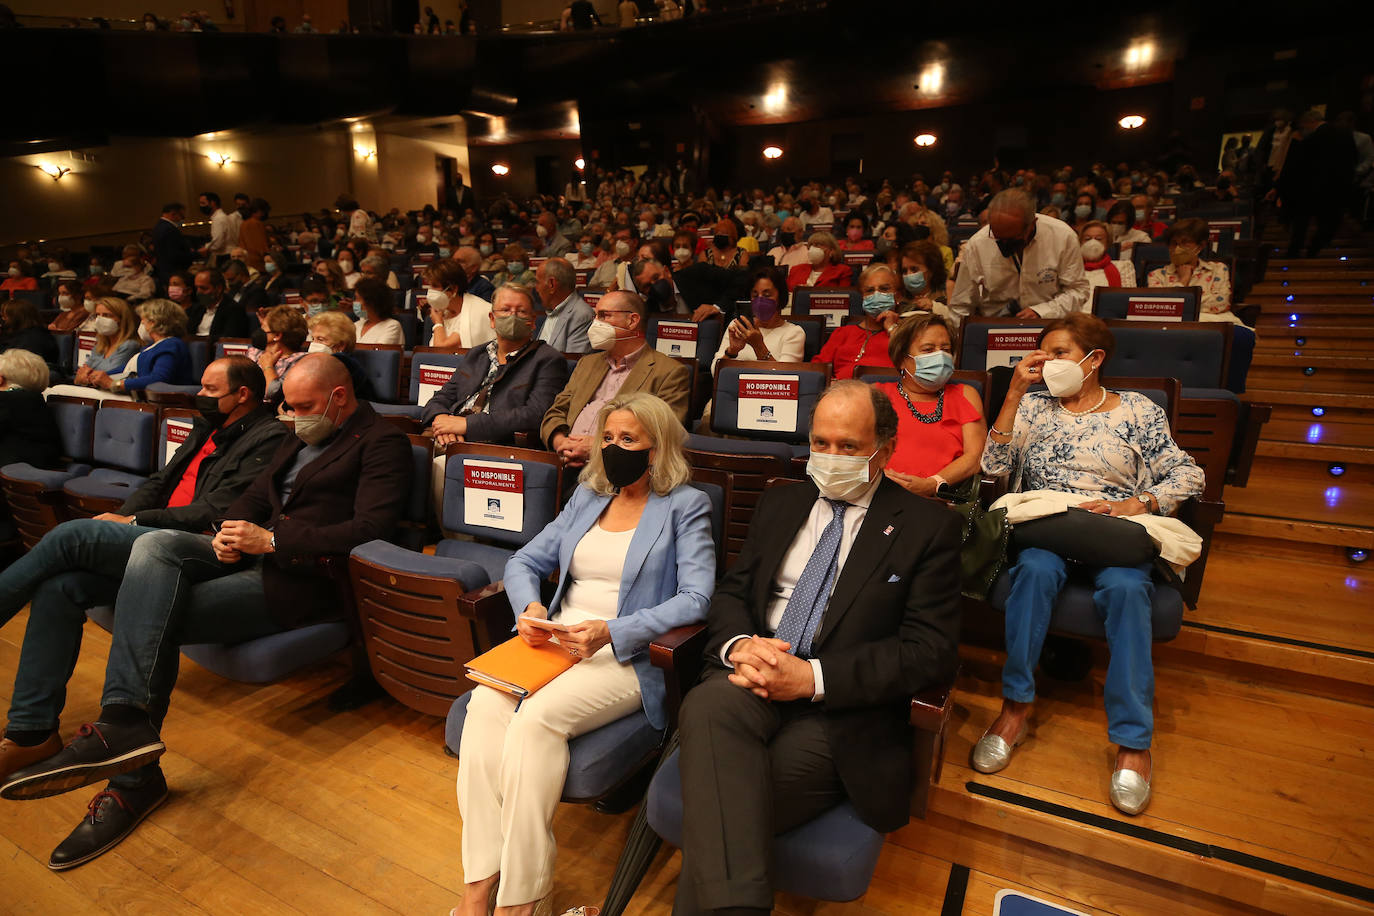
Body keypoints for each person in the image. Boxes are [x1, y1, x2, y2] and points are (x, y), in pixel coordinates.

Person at [0, 354, 409, 867]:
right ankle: (35, 732)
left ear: (340, 397)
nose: (292, 414)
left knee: (139, 578)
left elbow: (369, 531)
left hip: (293, 577)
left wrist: (273, 540)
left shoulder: (381, 442)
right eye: (289, 405)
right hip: (235, 555)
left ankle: (132, 775)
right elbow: (250, 500)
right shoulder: (295, 434)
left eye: (303, 406)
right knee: (74, 575)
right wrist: (232, 534)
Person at [673, 380, 961, 913]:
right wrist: (739, 644)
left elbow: (930, 650)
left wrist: (812, 679)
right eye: (821, 443)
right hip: (752, 676)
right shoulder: (782, 500)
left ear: (887, 448)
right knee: (709, 702)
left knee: (722, 808)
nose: (830, 457)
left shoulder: (930, 527)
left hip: (840, 712)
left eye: (848, 447)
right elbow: (735, 588)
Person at [454, 391, 713, 915]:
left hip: (623, 652)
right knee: (484, 706)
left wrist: (613, 631)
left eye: (629, 439)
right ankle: (479, 887)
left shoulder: (687, 505)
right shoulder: (588, 494)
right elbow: (526, 560)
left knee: (536, 721)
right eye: (609, 437)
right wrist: (530, 607)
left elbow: (697, 597)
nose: (615, 448)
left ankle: (522, 901)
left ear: (658, 448)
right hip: (554, 642)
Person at [975, 314, 1204, 816]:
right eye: (1043, 354)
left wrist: (1139, 504)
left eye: (1058, 353)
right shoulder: (1033, 406)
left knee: (1126, 590)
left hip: (1115, 534)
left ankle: (1133, 742)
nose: (1047, 363)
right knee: (1033, 573)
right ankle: (1015, 709)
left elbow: (1188, 473)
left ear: (1093, 359)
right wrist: (1012, 395)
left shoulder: (1138, 411)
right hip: (1047, 527)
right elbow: (992, 469)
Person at [541, 291, 691, 469]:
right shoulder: (586, 363)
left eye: (604, 316)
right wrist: (562, 444)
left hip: (617, 470)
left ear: (632, 321)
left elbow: (662, 435)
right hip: (564, 462)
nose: (595, 323)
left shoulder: (670, 373)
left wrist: (597, 447)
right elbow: (556, 412)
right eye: (595, 316)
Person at [423, 284, 569, 446]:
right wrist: (441, 419)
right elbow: (443, 396)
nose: (512, 316)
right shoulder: (476, 354)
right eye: (505, 310)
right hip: (448, 436)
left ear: (533, 321)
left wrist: (467, 425)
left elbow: (535, 414)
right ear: (492, 319)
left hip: (494, 444)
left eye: (521, 311)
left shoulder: (548, 359)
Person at [874, 314, 986, 495]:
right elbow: (856, 451)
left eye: (945, 349)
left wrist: (933, 484)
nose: (939, 357)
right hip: (880, 495)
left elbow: (974, 458)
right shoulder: (876, 394)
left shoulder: (966, 394)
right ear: (902, 359)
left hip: (941, 499)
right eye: (928, 350)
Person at [949, 189, 1090, 323]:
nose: (1003, 245)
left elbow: (1078, 291)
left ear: (1032, 225)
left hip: (1050, 325)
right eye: (997, 238)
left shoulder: (1062, 236)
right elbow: (960, 306)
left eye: (1011, 240)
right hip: (996, 326)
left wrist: (1042, 312)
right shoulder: (978, 243)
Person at [1279, 109, 1358, 258]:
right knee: (1328, 224)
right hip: (1337, 187)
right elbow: (1353, 159)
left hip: (1310, 188)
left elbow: (1297, 165)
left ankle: (1294, 252)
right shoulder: (1345, 134)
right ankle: (1313, 249)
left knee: (1301, 223)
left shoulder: (1311, 139)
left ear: (1309, 122)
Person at [710, 266, 805, 372]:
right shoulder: (738, 326)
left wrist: (758, 346)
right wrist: (731, 352)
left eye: (767, 295)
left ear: (781, 297)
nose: (760, 300)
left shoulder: (794, 333)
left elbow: (785, 378)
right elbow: (715, 373)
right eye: (755, 295)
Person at [813, 263, 895, 380]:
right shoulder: (842, 333)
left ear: (897, 295)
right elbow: (817, 371)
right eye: (869, 290)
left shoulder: (907, 334)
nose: (876, 294)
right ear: (862, 297)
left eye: (884, 289)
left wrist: (892, 329)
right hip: (841, 393)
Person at [104, 299, 193, 396]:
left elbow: (159, 379)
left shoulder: (171, 345)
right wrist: (96, 376)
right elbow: (126, 369)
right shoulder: (152, 346)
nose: (141, 323)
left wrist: (115, 384)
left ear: (153, 322)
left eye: (143, 319)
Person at [0, 348, 61, 470]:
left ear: (1, 379)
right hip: (41, 463)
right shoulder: (34, 399)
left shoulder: (8, 400)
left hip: (16, 465)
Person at [63, 298, 142, 393]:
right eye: (97, 315)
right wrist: (82, 377)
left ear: (122, 319)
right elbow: (80, 376)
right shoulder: (100, 344)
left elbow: (108, 376)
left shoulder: (130, 345)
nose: (100, 319)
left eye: (106, 315)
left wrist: (87, 376)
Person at [424, 260, 495, 350]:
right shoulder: (443, 311)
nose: (431, 291)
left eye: (435, 286)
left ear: (453, 289)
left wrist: (438, 323)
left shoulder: (475, 312)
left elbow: (440, 350)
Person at [247, 305, 309, 402]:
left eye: (263, 328)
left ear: (277, 335)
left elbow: (272, 393)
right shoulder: (255, 352)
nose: (259, 332)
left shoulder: (299, 362)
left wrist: (268, 367)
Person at [534, 258, 595, 353]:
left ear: (551, 284)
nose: (536, 288)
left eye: (538, 282)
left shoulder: (581, 315)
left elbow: (574, 363)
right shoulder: (553, 309)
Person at [186, 269, 250, 341]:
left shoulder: (234, 310)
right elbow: (188, 334)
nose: (198, 292)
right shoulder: (197, 308)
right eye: (196, 288)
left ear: (218, 288)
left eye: (203, 288)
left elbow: (228, 339)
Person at [0, 299, 59, 371]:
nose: (2, 320)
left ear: (16, 318)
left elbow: (22, 363)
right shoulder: (13, 335)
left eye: (5, 317)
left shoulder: (35, 336)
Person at [786, 232, 852, 291]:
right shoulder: (796, 270)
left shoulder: (843, 271)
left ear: (831, 251)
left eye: (817, 245)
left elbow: (842, 298)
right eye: (811, 245)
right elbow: (787, 293)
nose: (813, 248)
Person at [1080, 221, 1136, 290]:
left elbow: (1127, 296)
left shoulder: (1122, 267)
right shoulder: (1071, 268)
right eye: (1087, 239)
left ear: (1107, 243)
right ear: (1080, 243)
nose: (1092, 242)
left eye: (1098, 239)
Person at [352, 277, 404, 346]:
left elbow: (377, 353)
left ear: (371, 302)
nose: (354, 302)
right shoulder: (356, 325)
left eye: (357, 298)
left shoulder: (392, 326)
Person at [150, 203, 192, 283]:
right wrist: (197, 254)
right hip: (173, 270)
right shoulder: (169, 229)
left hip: (164, 270)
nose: (182, 219)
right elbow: (174, 254)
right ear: (173, 214)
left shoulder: (158, 226)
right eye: (182, 216)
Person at [199, 191, 233, 266]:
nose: (201, 206)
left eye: (203, 203)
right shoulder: (222, 216)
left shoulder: (218, 218)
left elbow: (218, 243)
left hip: (224, 256)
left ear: (212, 203)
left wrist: (206, 248)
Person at [237, 198, 271, 272]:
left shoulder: (244, 224)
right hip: (259, 264)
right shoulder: (257, 223)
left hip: (247, 263)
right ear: (259, 211)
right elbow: (262, 246)